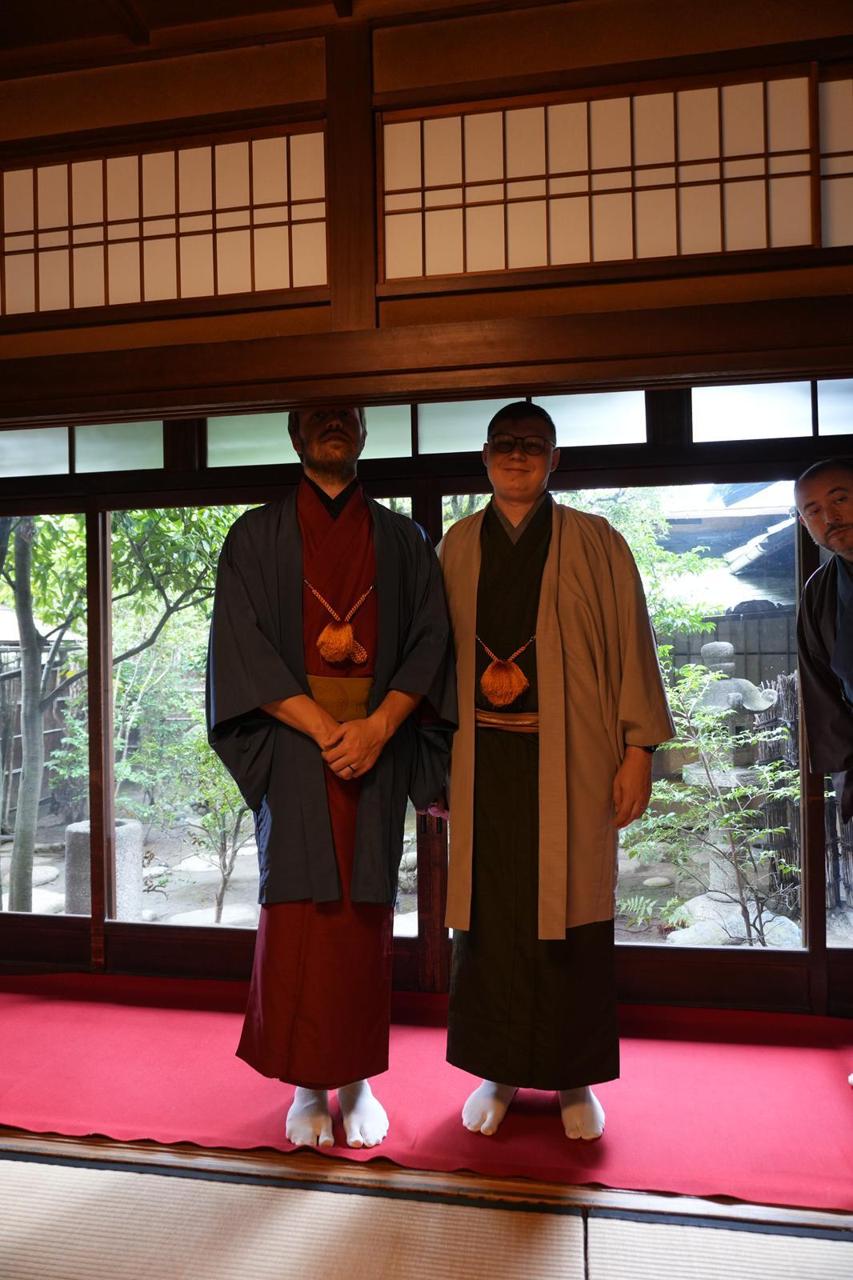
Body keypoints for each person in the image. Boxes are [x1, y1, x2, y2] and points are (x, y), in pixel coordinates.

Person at [206, 406, 455, 1150]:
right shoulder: (255, 536)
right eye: (318, 419)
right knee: (297, 912)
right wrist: (320, 726)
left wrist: (378, 727)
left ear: (363, 433)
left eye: (346, 417)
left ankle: (355, 1079)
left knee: (361, 915)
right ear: (295, 437)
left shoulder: (404, 539)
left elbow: (430, 641)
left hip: (378, 742)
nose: (333, 428)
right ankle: (307, 1084)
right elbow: (241, 647)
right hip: (292, 743)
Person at [438, 401, 673, 1141]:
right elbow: (428, 660)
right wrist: (429, 764)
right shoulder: (456, 545)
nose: (517, 455)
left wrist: (639, 751)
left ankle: (574, 1076)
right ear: (484, 457)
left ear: (554, 459)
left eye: (532, 445)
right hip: (480, 760)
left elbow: (632, 645)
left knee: (573, 914)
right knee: (489, 917)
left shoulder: (597, 541)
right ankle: (497, 1070)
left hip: (573, 758)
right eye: (504, 444)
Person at [795, 457, 853, 823]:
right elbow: (822, 693)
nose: (830, 517)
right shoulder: (819, 591)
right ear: (804, 523)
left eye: (840, 499)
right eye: (813, 511)